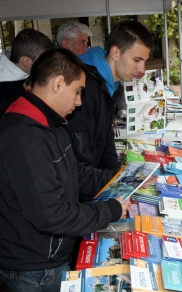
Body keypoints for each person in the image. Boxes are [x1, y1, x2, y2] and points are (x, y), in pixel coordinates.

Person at [0, 47, 130, 292]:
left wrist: (116, 178)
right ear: (59, 83)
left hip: (48, 255)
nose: (79, 101)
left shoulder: (51, 122)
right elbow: (50, 214)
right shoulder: (24, 139)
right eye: (78, 91)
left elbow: (74, 173)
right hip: (35, 266)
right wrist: (108, 210)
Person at [67, 20, 154, 173]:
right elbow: (78, 158)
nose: (142, 69)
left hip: (92, 175)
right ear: (115, 53)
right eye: (136, 60)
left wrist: (116, 177)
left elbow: (106, 138)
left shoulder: (114, 85)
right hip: (79, 184)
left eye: (144, 61)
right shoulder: (85, 87)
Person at [0, 28, 54, 116]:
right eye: (43, 60)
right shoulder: (8, 92)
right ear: (26, 61)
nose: (47, 65)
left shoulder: (17, 69)